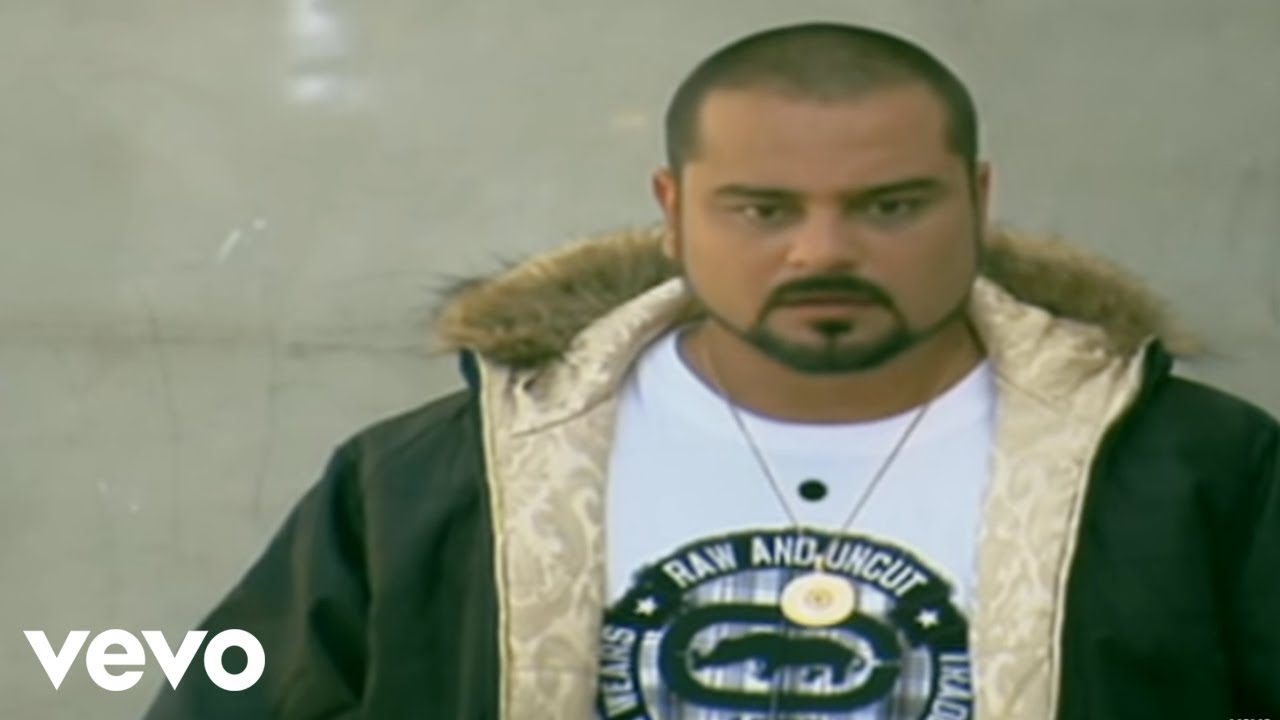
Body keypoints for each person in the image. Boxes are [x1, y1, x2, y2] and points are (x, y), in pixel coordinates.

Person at [143, 21, 1279, 720]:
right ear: (674, 209)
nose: (823, 251)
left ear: (975, 202)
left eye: (889, 206)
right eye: (762, 209)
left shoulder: (1201, 474)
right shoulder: (429, 484)